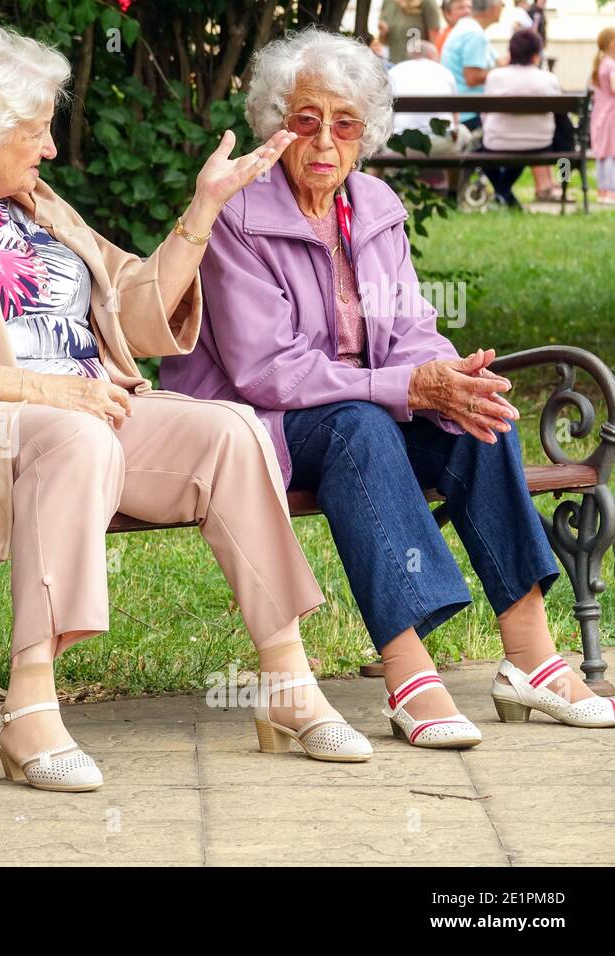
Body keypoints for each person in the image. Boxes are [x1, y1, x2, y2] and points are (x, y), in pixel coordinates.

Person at [0, 23, 375, 789]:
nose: (48, 150)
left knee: (229, 430)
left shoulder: (35, 205)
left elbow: (135, 310)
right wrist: (49, 390)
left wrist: (203, 211)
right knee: (76, 438)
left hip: (83, 410)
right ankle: (29, 705)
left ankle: (286, 681)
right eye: (36, 132)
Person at [161, 28, 615, 750]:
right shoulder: (239, 217)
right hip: (259, 428)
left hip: (358, 406)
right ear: (278, 124)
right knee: (362, 427)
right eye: (306, 121)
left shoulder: (372, 206)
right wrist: (404, 386)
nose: (323, 143)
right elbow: (267, 371)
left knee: (478, 413)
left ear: (364, 135)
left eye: (345, 126)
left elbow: (409, 329)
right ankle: (411, 676)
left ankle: (530, 656)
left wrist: (447, 378)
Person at [481, 29, 569, 205]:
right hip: (539, 144)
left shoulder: (495, 76)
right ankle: (505, 196)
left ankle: (503, 194)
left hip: (498, 142)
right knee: (521, 148)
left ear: (511, 52)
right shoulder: (548, 79)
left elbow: (485, 116)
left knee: (478, 153)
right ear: (537, 55)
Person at [443, 0, 506, 127]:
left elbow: (498, 61)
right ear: (493, 8)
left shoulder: (469, 27)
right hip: (469, 114)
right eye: (502, 4)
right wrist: (502, 73)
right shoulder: (474, 34)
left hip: (463, 110)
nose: (503, 7)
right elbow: (473, 77)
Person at [592, 27, 615, 204]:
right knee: (611, 152)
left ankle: (602, 189)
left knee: (602, 152)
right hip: (611, 115)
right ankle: (611, 190)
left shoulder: (599, 63)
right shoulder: (612, 65)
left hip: (600, 113)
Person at [380, 0, 443, 64]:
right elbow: (383, 41)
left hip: (418, 65)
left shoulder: (427, 2)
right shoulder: (388, 2)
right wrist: (383, 33)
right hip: (393, 64)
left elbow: (434, 38)